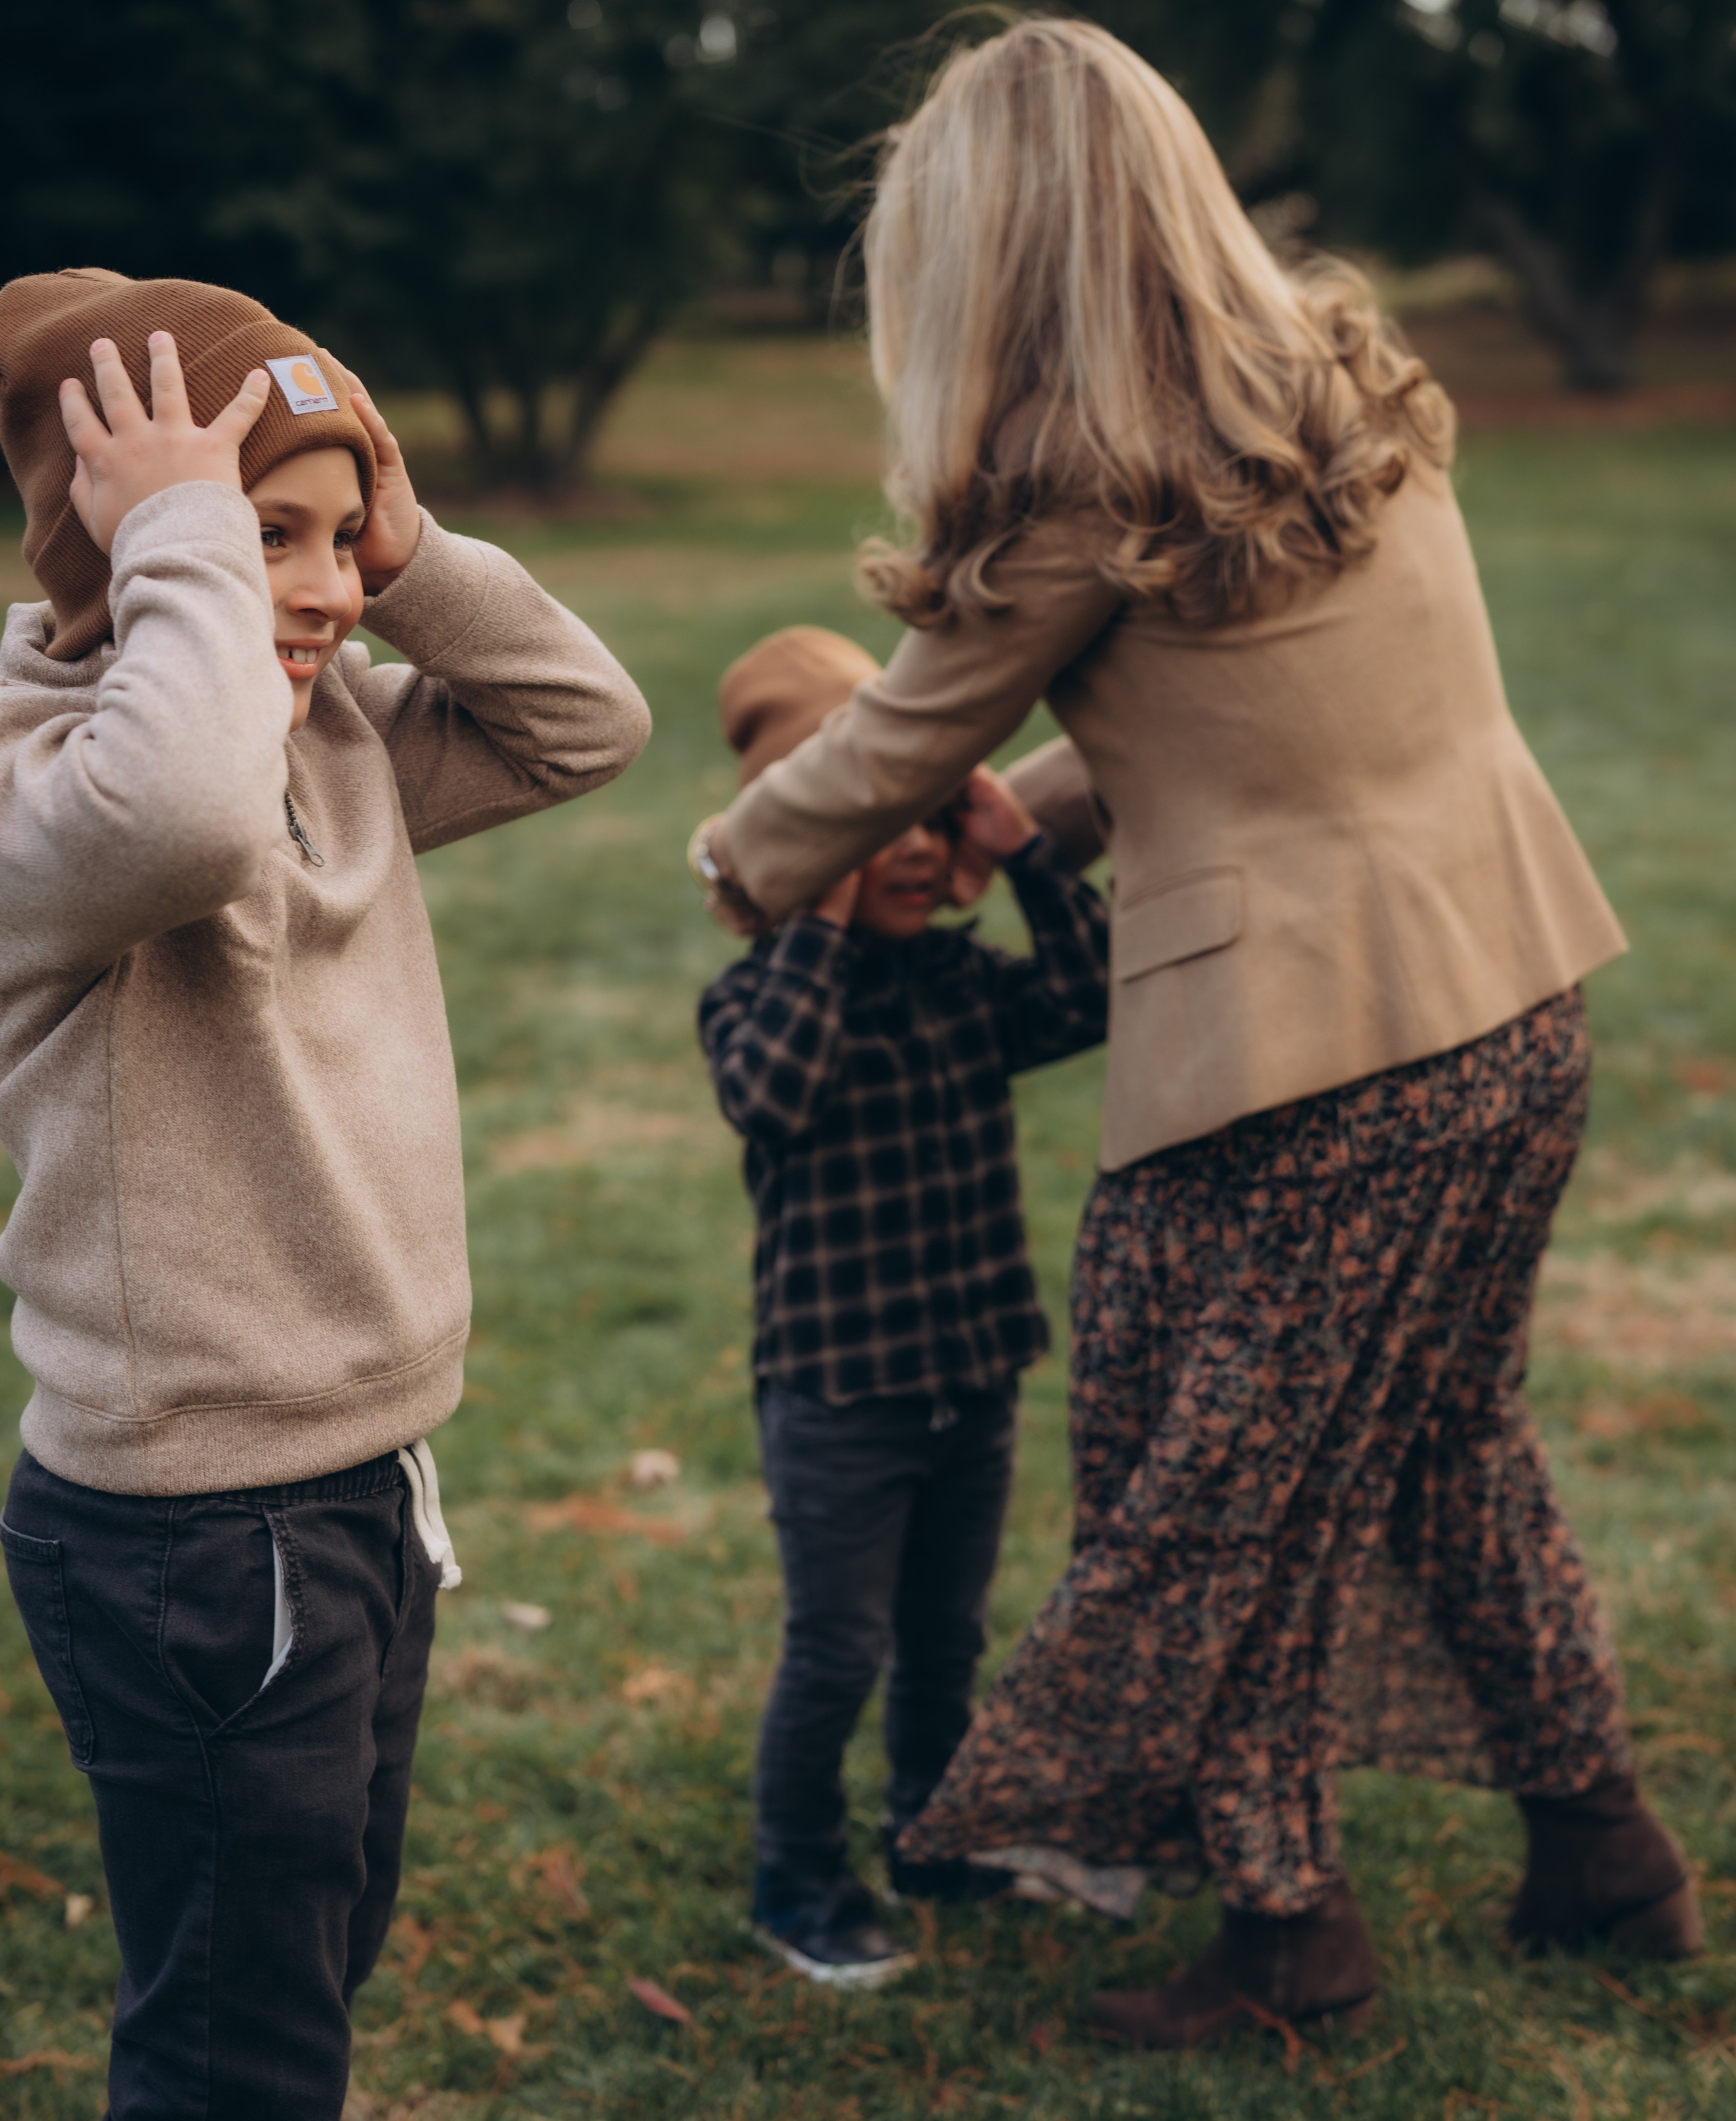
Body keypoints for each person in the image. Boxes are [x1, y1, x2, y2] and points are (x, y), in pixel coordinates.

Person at [689, 20, 1700, 2049]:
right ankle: (1605, 1851)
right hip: (1507, 1010)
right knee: (1443, 1448)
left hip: (1304, 1067)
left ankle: (1287, 1938)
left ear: (985, 256)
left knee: (1192, 1492)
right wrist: (1036, 808)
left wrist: (739, 861)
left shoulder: (1076, 483)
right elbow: (1286, 746)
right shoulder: (1347, 401)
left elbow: (891, 734)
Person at [0, 269, 650, 2118]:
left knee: (311, 1946)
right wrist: (190, 546)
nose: (327, 586)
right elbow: (182, 817)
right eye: (267, 534)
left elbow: (582, 723)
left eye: (338, 533)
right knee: (235, 2039)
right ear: (111, 541)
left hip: (360, 1479)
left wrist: (406, 531)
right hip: (193, 1529)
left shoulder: (330, 729)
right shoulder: (51, 776)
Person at [695, 625, 1108, 1986]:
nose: (922, 850)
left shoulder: (958, 983)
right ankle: (794, 1878)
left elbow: (1092, 990)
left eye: (938, 816)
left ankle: (938, 1832)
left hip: (969, 1376)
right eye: (884, 824)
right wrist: (815, 894)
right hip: (837, 1396)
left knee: (945, 1638)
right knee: (839, 1652)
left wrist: (1026, 847)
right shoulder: (756, 998)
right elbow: (773, 1094)